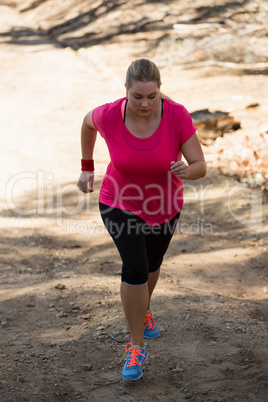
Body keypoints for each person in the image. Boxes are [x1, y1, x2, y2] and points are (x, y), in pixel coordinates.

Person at [77, 58, 206, 381]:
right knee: (134, 267)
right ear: (126, 92)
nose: (145, 104)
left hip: (165, 204)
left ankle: (144, 308)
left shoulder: (176, 115)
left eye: (152, 96)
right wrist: (87, 166)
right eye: (138, 97)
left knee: (151, 265)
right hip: (119, 201)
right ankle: (136, 347)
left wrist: (187, 171)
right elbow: (86, 123)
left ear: (160, 92)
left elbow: (200, 165)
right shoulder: (109, 114)